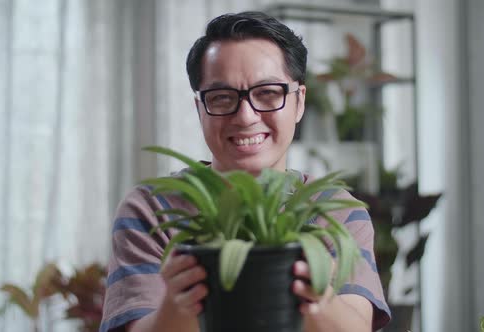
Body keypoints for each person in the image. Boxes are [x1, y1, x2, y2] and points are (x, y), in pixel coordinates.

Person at [100, 11, 390, 332]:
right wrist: (180, 304)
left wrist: (315, 294)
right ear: (200, 110)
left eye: (268, 93)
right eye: (222, 97)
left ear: (300, 102)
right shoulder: (152, 208)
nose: (246, 116)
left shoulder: (335, 210)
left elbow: (357, 326)